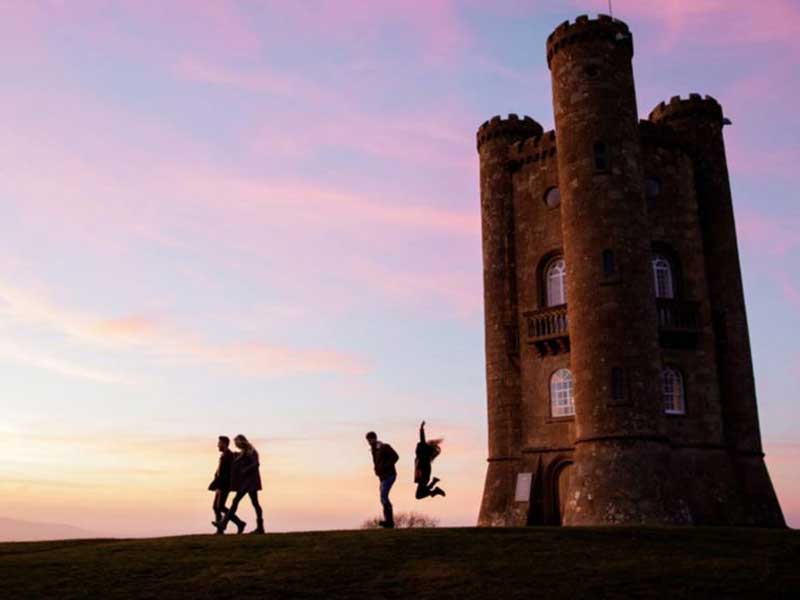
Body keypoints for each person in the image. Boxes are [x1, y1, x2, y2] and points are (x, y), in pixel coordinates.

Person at [217, 434, 265, 535]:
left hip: (251, 482)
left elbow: (256, 464)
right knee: (252, 503)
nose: (236, 445)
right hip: (246, 483)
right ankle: (260, 528)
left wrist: (245, 470)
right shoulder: (244, 452)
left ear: (241, 442)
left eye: (236, 443)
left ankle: (224, 523)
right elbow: (236, 457)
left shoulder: (252, 451)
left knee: (249, 503)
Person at [209, 435, 247, 534]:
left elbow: (227, 472)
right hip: (219, 484)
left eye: (219, 443)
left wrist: (219, 483)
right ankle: (221, 528)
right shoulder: (224, 455)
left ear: (224, 444)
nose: (218, 445)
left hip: (224, 484)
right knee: (216, 507)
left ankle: (239, 523)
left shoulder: (228, 455)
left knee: (220, 506)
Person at [365, 431, 399, 528]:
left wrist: (385, 466)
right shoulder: (373, 450)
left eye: (370, 439)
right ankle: (388, 522)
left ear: (375, 438)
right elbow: (376, 463)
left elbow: (396, 457)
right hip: (382, 477)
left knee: (384, 496)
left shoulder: (384, 447)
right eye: (368, 440)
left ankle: (389, 522)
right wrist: (376, 470)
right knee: (382, 498)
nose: (369, 442)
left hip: (390, 475)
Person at [414, 421, 446, 499]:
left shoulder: (424, 452)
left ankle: (435, 488)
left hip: (423, 473)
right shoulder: (424, 455)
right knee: (420, 493)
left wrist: (421, 428)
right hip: (424, 473)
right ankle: (434, 486)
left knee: (419, 495)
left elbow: (422, 439)